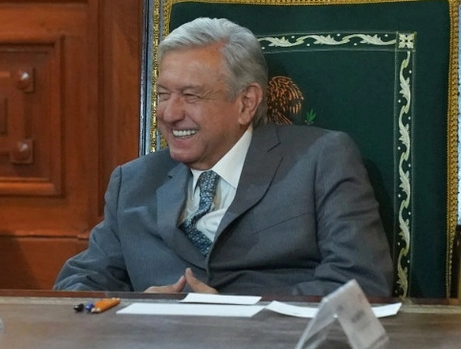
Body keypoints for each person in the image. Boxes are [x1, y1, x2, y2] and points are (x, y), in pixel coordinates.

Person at [54, 17, 394, 297]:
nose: (170, 114)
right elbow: (73, 291)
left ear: (246, 103)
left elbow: (361, 285)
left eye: (190, 96)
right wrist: (135, 309)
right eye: (162, 94)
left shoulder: (320, 160)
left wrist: (238, 314)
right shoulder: (133, 182)